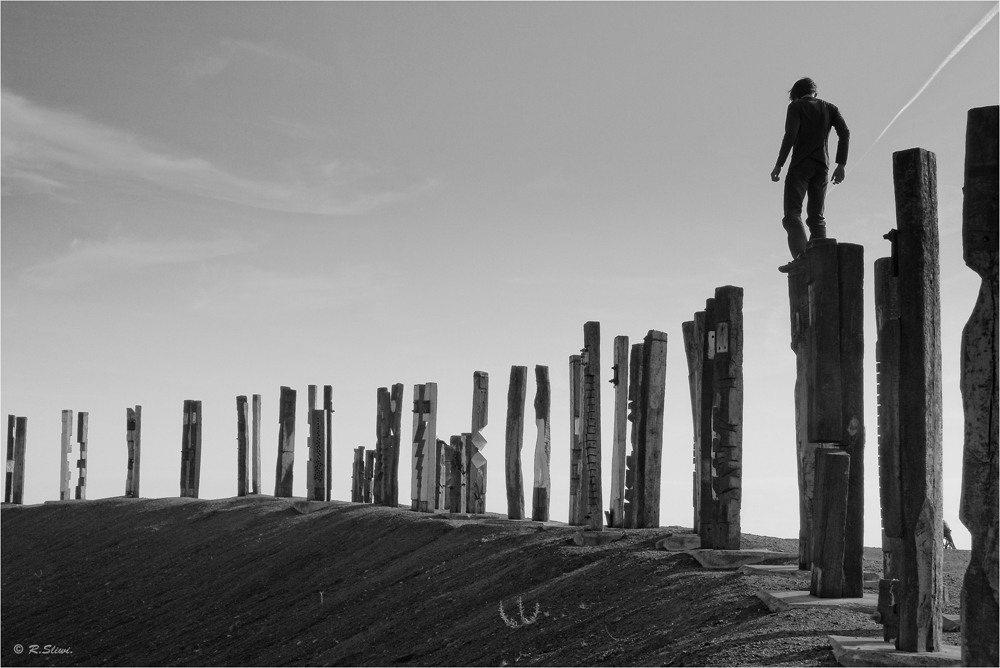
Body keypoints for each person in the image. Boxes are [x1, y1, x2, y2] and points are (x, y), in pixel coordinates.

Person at [771, 77, 850, 268]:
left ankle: (801, 259)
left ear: (796, 94)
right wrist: (841, 165)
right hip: (822, 166)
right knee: (816, 217)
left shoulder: (796, 106)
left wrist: (779, 164)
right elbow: (845, 132)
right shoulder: (831, 108)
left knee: (792, 214)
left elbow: (790, 134)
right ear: (815, 91)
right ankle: (821, 261)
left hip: (800, 164)